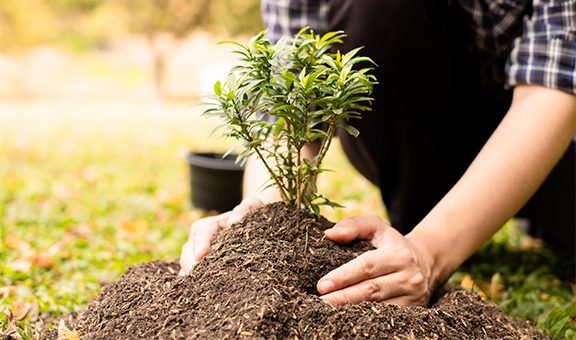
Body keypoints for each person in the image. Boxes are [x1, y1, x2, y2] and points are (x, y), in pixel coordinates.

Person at [180, 0, 575, 306]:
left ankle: (482, 224)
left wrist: (428, 254)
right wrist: (262, 219)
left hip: (557, 136)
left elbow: (552, 85)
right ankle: (424, 219)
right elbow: (292, 99)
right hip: (423, 141)